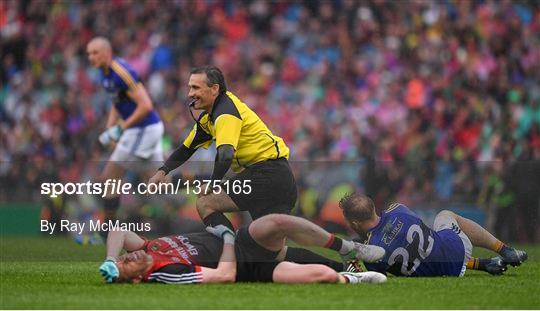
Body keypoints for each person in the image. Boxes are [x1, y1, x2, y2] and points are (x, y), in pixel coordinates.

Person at [148, 65, 336, 268]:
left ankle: (232, 255)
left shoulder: (225, 113)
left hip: (265, 174)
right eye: (189, 87)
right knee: (273, 254)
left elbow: (226, 154)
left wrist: (213, 183)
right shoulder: (210, 117)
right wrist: (162, 171)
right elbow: (186, 148)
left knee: (206, 203)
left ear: (214, 89)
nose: (190, 93)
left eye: (195, 87)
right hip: (277, 177)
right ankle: (346, 270)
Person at [98, 214, 387, 284]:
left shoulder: (148, 247)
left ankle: (347, 248)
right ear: (138, 278)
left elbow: (118, 231)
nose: (129, 256)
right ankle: (351, 278)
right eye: (125, 265)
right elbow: (225, 275)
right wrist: (225, 239)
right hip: (250, 266)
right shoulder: (167, 271)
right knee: (322, 275)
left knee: (277, 221)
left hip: (245, 240)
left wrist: (111, 259)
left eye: (123, 257)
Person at [338, 193, 528, 277]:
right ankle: (504, 250)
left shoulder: (372, 249)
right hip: (454, 250)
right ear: (373, 207)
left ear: (354, 223)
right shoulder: (398, 209)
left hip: (436, 270)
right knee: (445, 216)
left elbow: (378, 275)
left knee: (421, 254)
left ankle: (493, 259)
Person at [86, 37, 164, 230]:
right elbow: (117, 101)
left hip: (143, 129)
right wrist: (110, 126)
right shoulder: (105, 75)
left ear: (107, 52)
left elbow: (146, 105)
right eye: (88, 53)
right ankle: (208, 178)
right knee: (160, 182)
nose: (90, 57)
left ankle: (106, 232)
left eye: (95, 53)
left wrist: (121, 128)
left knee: (110, 177)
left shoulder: (121, 72)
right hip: (141, 130)